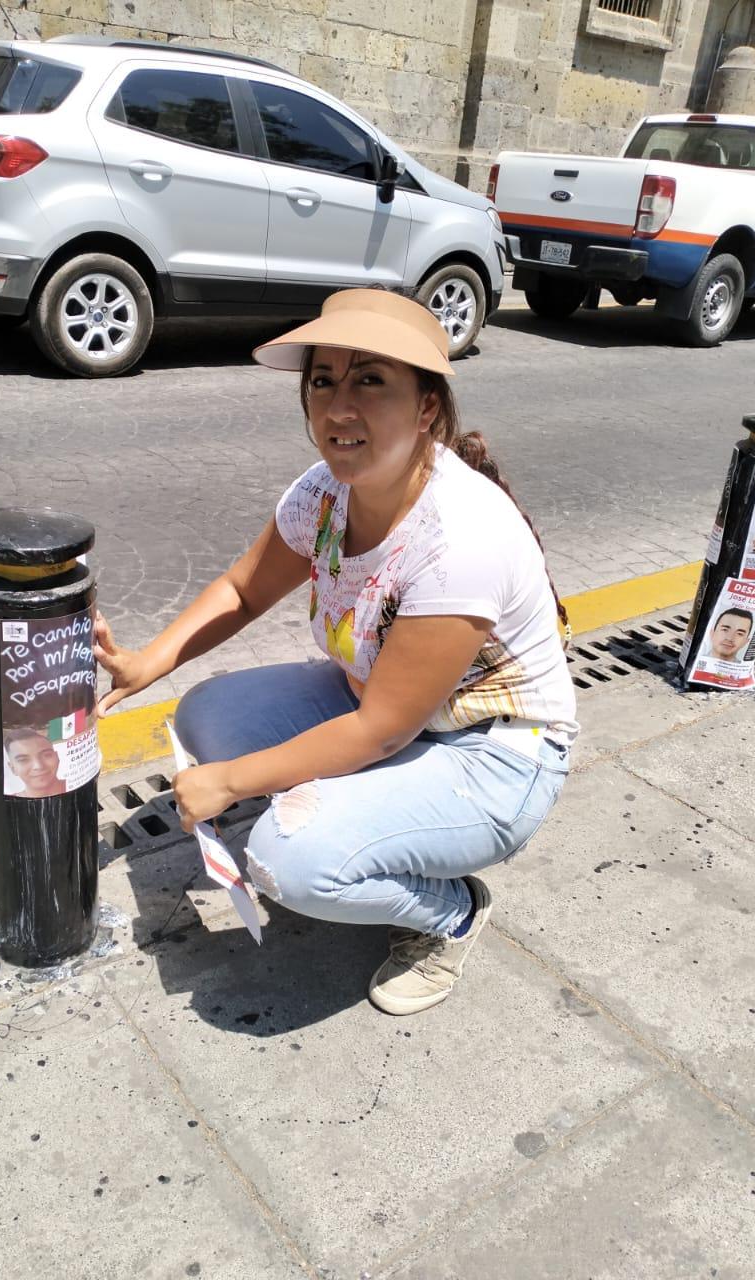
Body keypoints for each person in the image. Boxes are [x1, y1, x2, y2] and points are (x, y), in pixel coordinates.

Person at [95, 289, 577, 1016]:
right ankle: (352, 827)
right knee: (208, 715)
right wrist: (146, 662)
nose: (338, 406)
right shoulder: (325, 493)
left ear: (426, 409)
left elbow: (379, 730)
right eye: (323, 380)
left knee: (288, 859)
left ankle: (453, 913)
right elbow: (244, 590)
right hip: (384, 705)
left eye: (371, 380)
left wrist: (230, 783)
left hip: (496, 756)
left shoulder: (461, 538)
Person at [4, 727, 66, 798]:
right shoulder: (9, 801)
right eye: (23, 760)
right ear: (13, 769)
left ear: (57, 757)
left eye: (46, 755)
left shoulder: (73, 785)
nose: (38, 766)